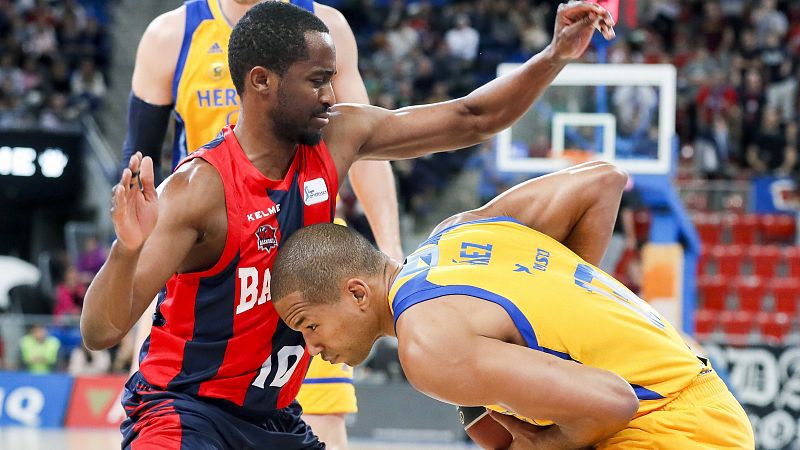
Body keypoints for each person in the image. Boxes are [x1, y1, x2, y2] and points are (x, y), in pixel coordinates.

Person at [81, 2, 615, 448]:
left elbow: (471, 118)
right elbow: (101, 331)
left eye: (331, 80)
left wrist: (554, 56)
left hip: (272, 415)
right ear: (262, 82)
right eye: (317, 82)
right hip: (186, 411)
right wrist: (127, 250)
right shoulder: (197, 191)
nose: (331, 96)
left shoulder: (338, 137)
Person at [270, 162, 755, 449]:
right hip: (703, 405)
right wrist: (562, 300)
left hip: (666, 427)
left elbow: (612, 402)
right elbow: (604, 182)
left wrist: (551, 445)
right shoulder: (459, 232)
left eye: (309, 325)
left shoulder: (426, 345)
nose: (311, 348)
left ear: (357, 293)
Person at [122, 0, 404, 445]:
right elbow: (136, 164)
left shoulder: (325, 27)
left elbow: (366, 144)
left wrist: (390, 246)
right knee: (161, 412)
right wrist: (137, 276)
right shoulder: (169, 35)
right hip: (204, 274)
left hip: (308, 272)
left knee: (326, 423)